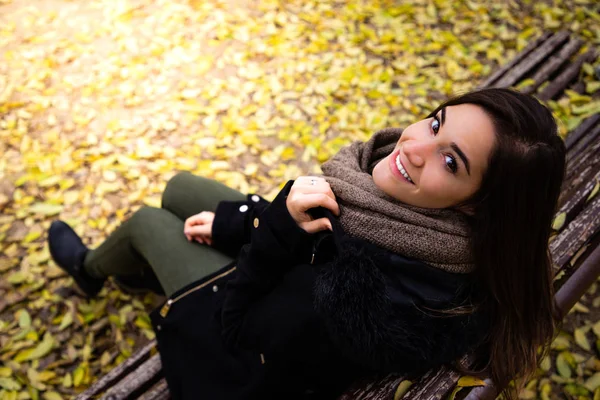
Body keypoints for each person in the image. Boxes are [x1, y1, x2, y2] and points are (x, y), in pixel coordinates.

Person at [47, 88, 566, 400]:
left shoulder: (361, 297)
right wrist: (243, 225)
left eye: (451, 161)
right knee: (180, 188)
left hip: (236, 366)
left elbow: (237, 324)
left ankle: (91, 271)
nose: (413, 146)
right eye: (435, 121)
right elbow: (320, 239)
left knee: (147, 221)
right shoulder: (454, 241)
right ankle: (145, 267)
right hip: (288, 283)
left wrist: (273, 229)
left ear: (478, 205)